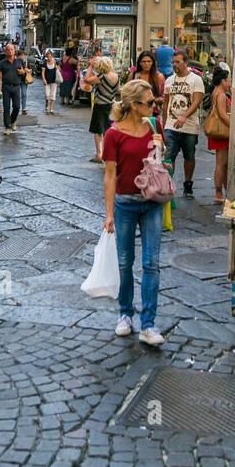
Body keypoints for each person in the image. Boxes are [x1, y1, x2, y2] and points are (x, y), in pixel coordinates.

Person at [102, 79, 165, 347]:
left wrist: (161, 148)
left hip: (152, 202)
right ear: (133, 104)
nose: (154, 106)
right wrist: (109, 214)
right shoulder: (113, 134)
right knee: (125, 262)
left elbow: (163, 164)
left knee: (151, 263)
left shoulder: (154, 126)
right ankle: (125, 314)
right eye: (150, 103)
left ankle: (148, 324)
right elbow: (109, 175)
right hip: (125, 204)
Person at [163, 49, 205, 197]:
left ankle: (188, 183)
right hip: (171, 124)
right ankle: (169, 184)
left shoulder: (195, 80)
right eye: (173, 62)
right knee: (169, 155)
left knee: (189, 156)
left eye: (177, 62)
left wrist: (184, 116)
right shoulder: (169, 80)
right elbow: (166, 103)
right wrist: (163, 125)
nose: (174, 65)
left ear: (185, 62)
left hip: (189, 126)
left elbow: (196, 101)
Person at [206, 65, 232, 204]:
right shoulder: (221, 94)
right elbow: (222, 115)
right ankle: (218, 193)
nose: (229, 83)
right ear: (223, 81)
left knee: (223, 163)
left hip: (218, 132)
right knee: (221, 164)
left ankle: (226, 191)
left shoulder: (215, 92)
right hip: (222, 132)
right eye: (228, 80)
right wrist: (234, 127)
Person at [89, 56, 120, 162]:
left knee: (98, 131)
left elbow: (87, 80)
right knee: (109, 130)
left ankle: (99, 154)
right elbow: (117, 90)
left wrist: (89, 67)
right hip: (111, 105)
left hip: (100, 105)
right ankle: (109, 153)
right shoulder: (116, 76)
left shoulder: (101, 77)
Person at [0, 41, 27, 134]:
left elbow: (25, 72)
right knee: (6, 108)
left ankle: (13, 121)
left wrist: (23, 73)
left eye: (11, 49)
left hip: (16, 86)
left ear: (14, 50)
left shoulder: (19, 61)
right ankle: (7, 127)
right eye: (8, 50)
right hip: (6, 87)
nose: (10, 51)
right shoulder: (1, 63)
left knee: (17, 107)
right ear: (5, 51)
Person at [133, 50, 165, 118]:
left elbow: (163, 96)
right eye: (144, 61)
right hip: (136, 111)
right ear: (140, 63)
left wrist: (153, 100)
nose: (146, 64)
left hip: (153, 112)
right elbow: (128, 93)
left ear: (153, 62)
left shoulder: (159, 76)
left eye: (149, 61)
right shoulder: (134, 75)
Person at [42, 48, 59, 113]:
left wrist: (56, 67)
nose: (49, 57)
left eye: (50, 56)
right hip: (47, 81)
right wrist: (44, 79)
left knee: (53, 95)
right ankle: (46, 104)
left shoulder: (55, 62)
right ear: (46, 56)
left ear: (52, 56)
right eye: (48, 56)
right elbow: (43, 73)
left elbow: (58, 70)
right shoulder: (44, 63)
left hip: (54, 81)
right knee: (47, 95)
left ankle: (51, 109)